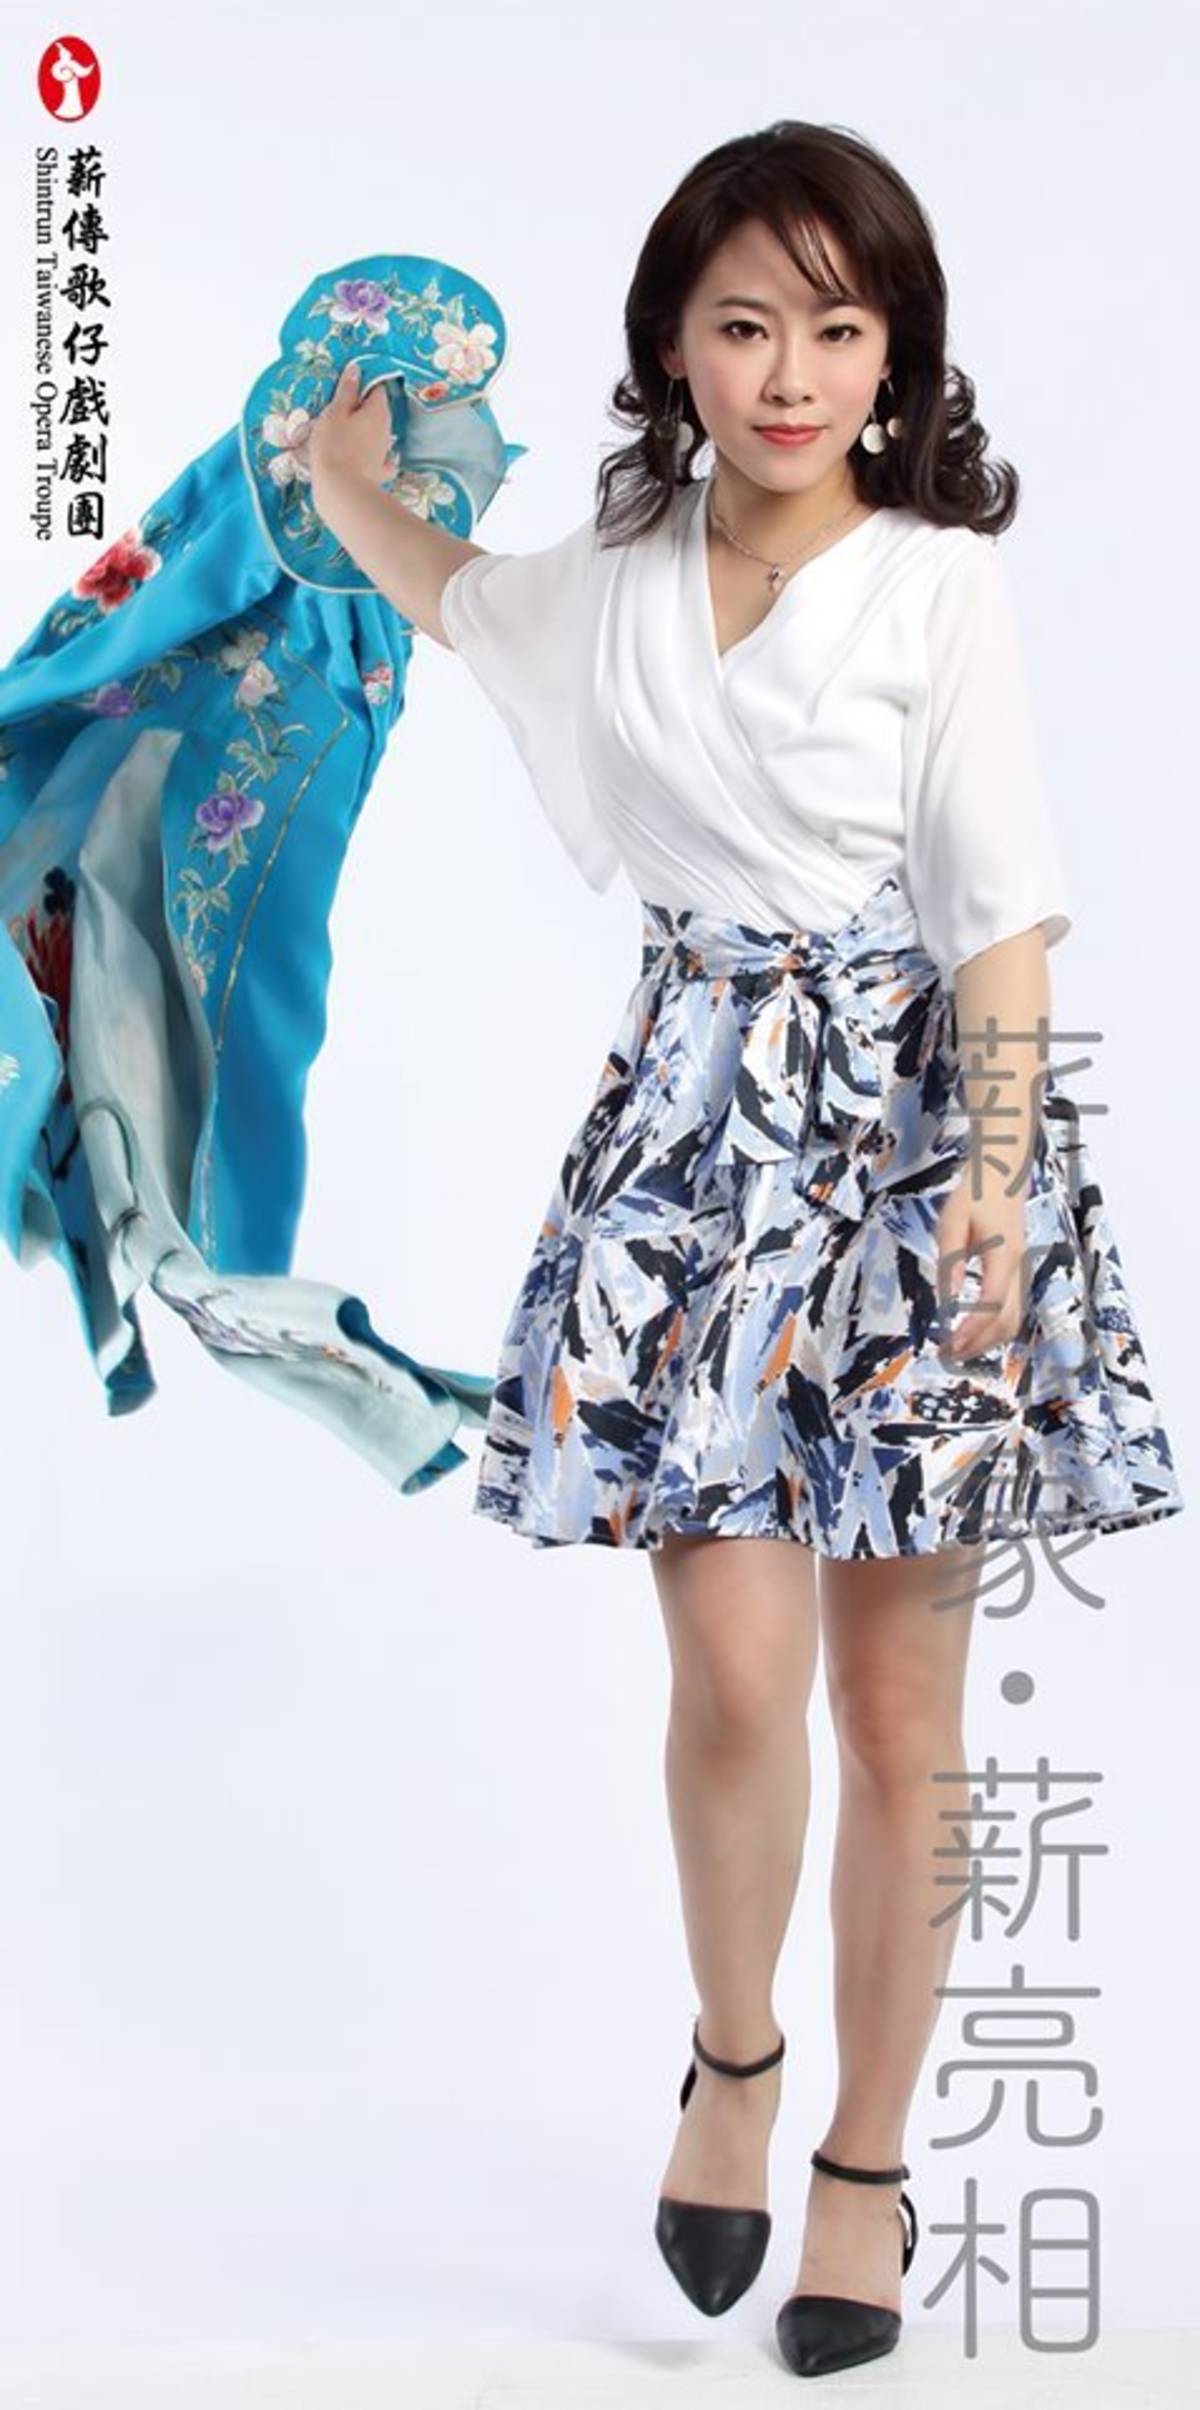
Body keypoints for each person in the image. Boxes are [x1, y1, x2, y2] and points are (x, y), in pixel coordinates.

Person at [306, 122, 1184, 2379]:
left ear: (896, 358)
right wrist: (337, 475)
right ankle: (733, 2052)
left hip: (917, 1152)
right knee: (726, 1673)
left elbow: (1005, 906)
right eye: (745, 323)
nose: (791, 373)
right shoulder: (610, 576)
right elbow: (448, 589)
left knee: (898, 1705)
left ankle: (865, 2168)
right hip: (695, 1158)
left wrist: (998, 1174)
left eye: (839, 326)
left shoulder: (934, 585)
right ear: (675, 347)